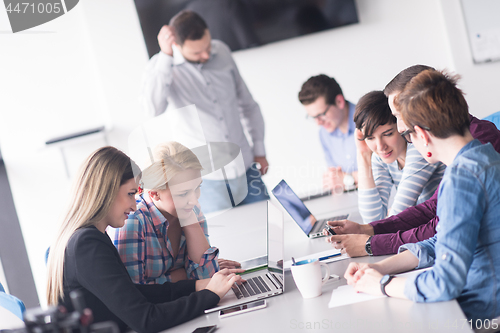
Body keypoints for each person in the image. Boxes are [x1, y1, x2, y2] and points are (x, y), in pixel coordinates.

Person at [344, 69, 500, 326]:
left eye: (407, 136)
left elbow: (444, 283)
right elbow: (442, 240)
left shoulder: (462, 179)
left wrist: (382, 285)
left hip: (478, 316)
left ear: (423, 135)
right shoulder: (483, 156)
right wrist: (381, 269)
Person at [46, 146, 243, 333]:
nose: (134, 205)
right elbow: (146, 320)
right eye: (131, 194)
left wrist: (196, 286)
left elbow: (134, 293)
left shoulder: (89, 237)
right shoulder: (87, 244)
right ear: (106, 191)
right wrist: (210, 296)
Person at [323, 65, 500, 257]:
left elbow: (439, 226)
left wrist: (371, 243)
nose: (400, 126)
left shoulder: (474, 144)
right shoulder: (447, 145)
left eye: (399, 114)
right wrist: (368, 230)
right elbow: (433, 207)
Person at [142, 10, 269, 214]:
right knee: (226, 241)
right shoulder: (161, 67)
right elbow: (152, 109)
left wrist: (260, 151)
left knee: (268, 228)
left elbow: (248, 104)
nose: (207, 55)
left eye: (207, 46)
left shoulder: (223, 52)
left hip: (246, 168)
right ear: (176, 45)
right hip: (206, 181)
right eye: (197, 53)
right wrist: (165, 56)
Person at [112, 142, 240, 285]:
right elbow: (136, 290)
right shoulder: (134, 221)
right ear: (155, 194)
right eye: (183, 193)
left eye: (197, 187)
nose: (194, 200)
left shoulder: (191, 211)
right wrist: (187, 274)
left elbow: (207, 277)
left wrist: (190, 222)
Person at [354, 90, 445, 223]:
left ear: (401, 126)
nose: (380, 147)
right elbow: (372, 219)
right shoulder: (382, 157)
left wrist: (389, 218)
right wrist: (363, 154)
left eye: (388, 134)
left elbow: (396, 218)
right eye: (370, 138)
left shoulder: (419, 147)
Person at [298, 74, 358, 190]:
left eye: (321, 115)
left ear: (339, 102)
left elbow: (389, 170)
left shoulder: (371, 121)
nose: (318, 123)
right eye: (313, 117)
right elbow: (336, 179)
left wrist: (347, 178)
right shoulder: (324, 134)